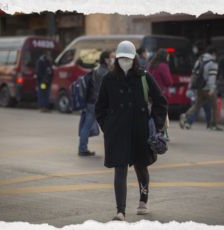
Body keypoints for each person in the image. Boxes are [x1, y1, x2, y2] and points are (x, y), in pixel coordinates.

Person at [95, 40, 168, 221]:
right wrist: (108, 127)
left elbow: (161, 101)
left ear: (134, 58)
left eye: (128, 58)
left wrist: (157, 124)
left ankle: (144, 200)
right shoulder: (109, 79)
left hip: (140, 131)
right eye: (121, 58)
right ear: (116, 59)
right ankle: (120, 211)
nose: (124, 61)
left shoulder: (143, 76)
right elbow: (100, 108)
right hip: (117, 132)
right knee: (120, 170)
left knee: (141, 166)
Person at [78, 50, 115, 156]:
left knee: (87, 125)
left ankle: (82, 148)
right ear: (106, 59)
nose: (112, 60)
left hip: (91, 101)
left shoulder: (96, 69)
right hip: (97, 103)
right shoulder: (104, 72)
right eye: (111, 58)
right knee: (107, 126)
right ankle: (110, 150)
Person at [180, 47, 222, 131]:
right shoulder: (213, 63)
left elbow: (193, 74)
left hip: (199, 88)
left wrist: (190, 86)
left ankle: (185, 116)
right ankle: (213, 125)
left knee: (197, 105)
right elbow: (212, 76)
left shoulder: (199, 60)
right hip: (208, 88)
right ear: (213, 54)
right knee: (215, 106)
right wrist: (212, 88)